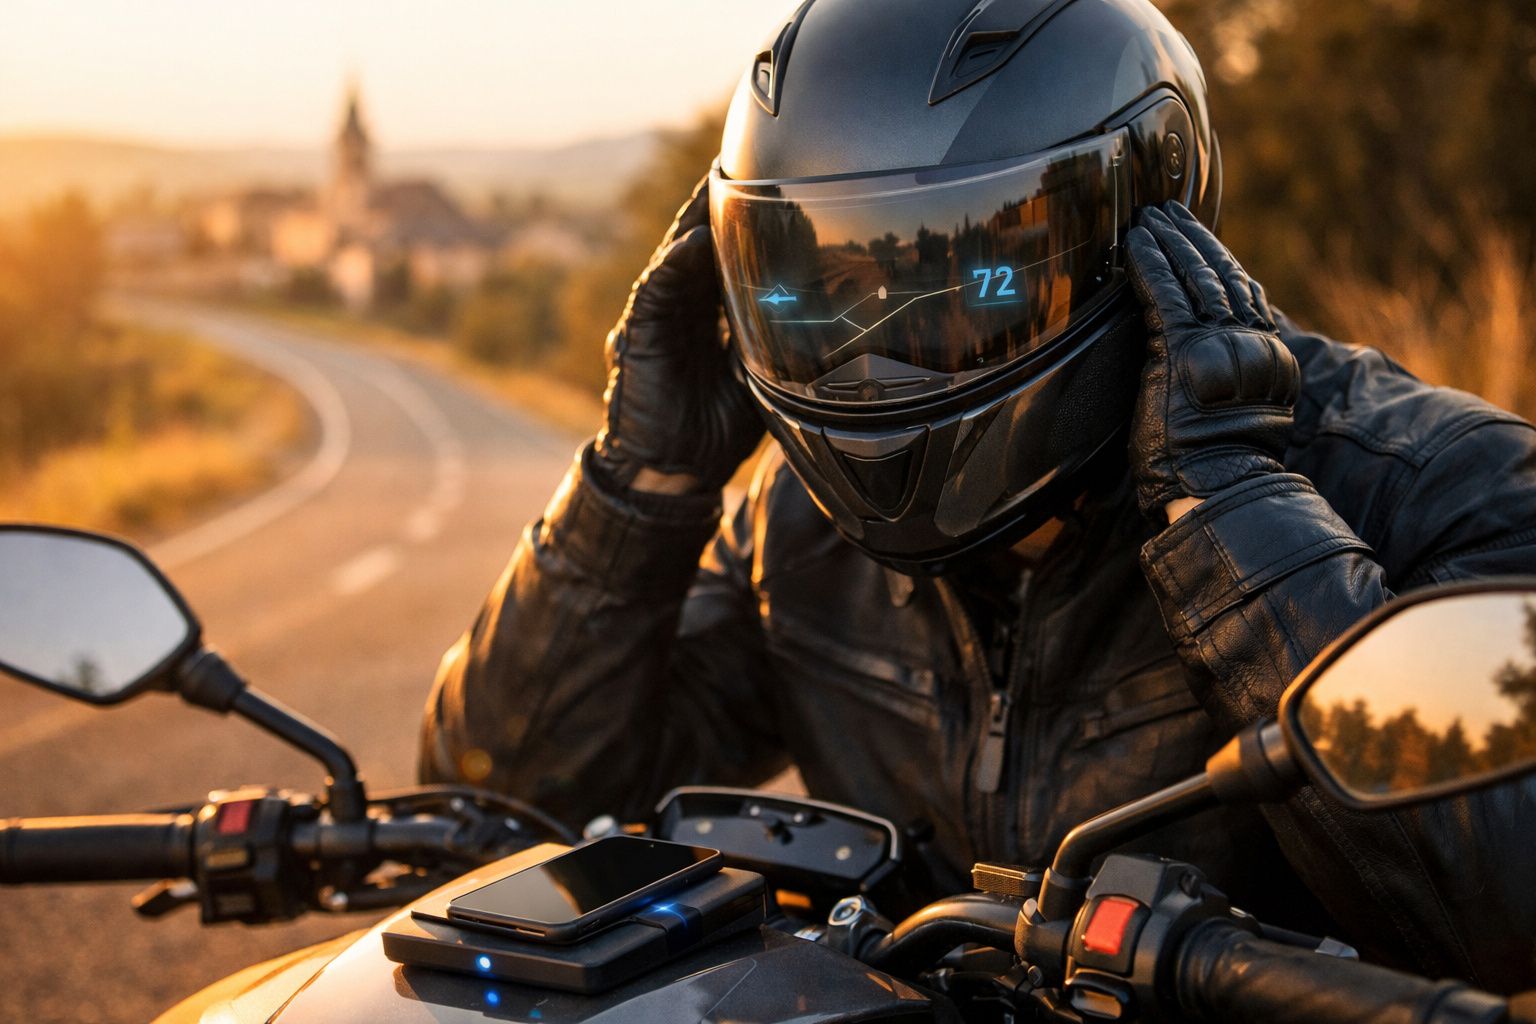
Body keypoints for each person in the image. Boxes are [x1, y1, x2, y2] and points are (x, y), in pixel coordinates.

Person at [420, 0, 1536, 992]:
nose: (876, 353)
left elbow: (1504, 921)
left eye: (969, 275)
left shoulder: (1440, 485)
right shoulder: (790, 525)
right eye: (820, 288)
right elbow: (505, 818)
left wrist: (1228, 512)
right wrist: (637, 483)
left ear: (1152, 229)